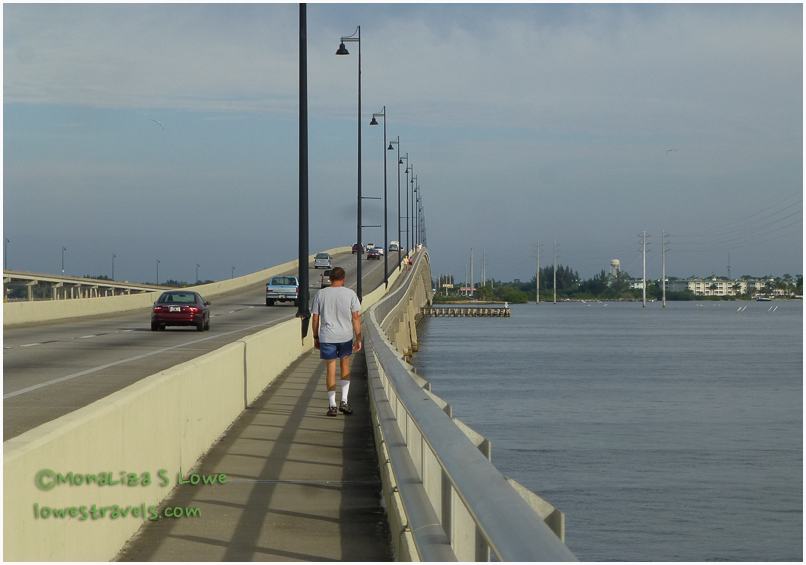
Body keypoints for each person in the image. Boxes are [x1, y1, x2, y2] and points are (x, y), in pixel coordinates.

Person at [311, 266, 362, 417]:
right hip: (345, 336)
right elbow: (356, 317)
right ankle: (344, 402)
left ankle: (332, 405)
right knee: (345, 366)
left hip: (327, 336)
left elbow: (315, 318)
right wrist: (358, 337)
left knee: (330, 369)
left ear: (330, 279)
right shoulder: (350, 294)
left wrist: (315, 337)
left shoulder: (321, 294)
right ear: (343, 279)